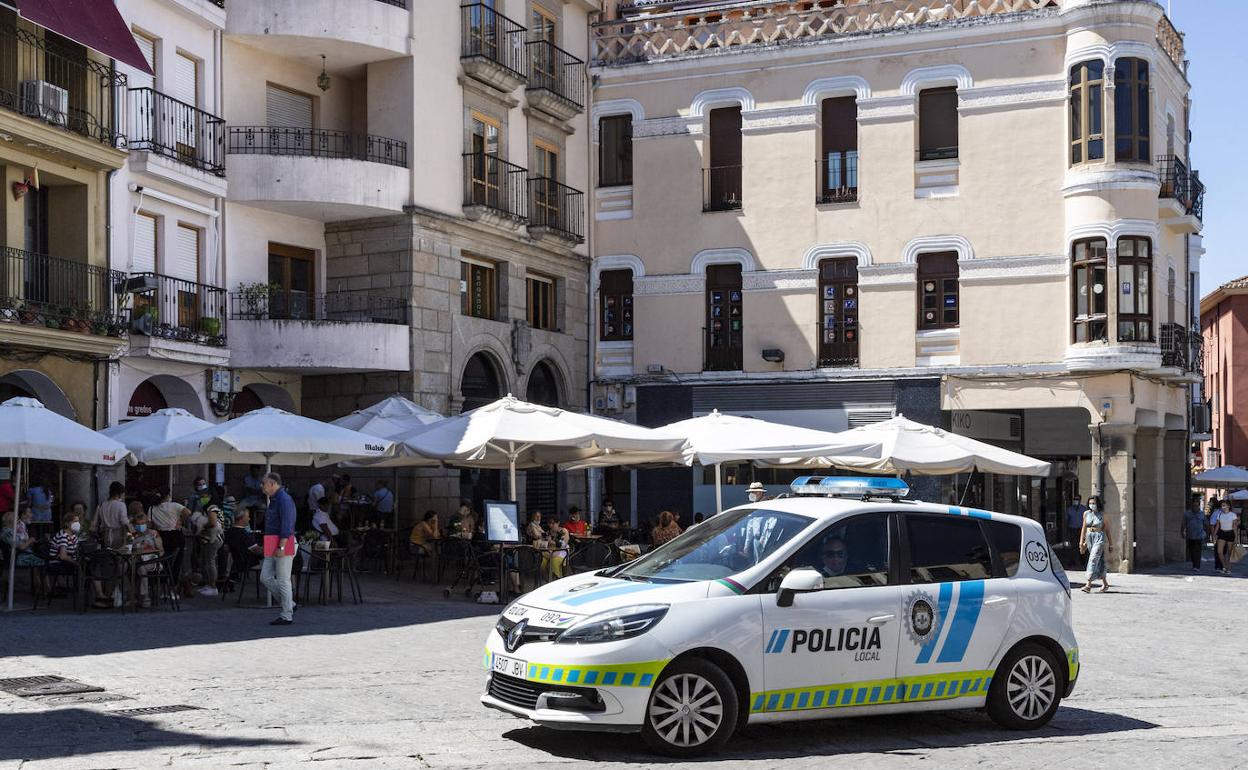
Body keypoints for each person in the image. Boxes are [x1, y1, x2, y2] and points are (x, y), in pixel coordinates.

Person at [260, 472, 297, 626]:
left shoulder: (283, 499)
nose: (262, 486)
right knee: (265, 577)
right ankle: (289, 604)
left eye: (264, 483)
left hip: (282, 542)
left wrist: (281, 546)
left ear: (273, 484)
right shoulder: (276, 499)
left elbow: (287, 525)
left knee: (283, 579)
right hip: (273, 541)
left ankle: (287, 614)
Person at [149, 489, 190, 590]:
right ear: (167, 496)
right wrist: (180, 521)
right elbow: (187, 512)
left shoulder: (151, 508)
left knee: (164, 561)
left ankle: (163, 586)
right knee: (177, 562)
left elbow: (151, 523)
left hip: (162, 536)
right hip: (176, 535)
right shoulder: (174, 505)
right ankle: (172, 586)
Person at [129, 511, 164, 608]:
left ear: (147, 524)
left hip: (153, 561)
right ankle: (130, 596)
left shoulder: (153, 534)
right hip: (138, 560)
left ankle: (145, 596)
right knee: (125, 567)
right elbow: (129, 549)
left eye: (143, 523)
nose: (141, 526)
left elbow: (161, 551)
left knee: (141, 569)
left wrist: (150, 547)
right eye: (138, 524)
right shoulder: (133, 536)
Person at [1078, 494, 1112, 593]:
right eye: (1090, 503)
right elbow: (1084, 528)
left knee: (1093, 558)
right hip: (1089, 537)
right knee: (1099, 560)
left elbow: (1107, 530)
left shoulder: (1103, 515)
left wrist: (1111, 544)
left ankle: (1088, 584)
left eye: (1094, 503)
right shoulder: (1086, 514)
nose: (1092, 505)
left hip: (1099, 537)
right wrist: (1081, 541)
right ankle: (1105, 583)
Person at [224, 507, 263, 592]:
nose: (249, 519)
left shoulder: (229, 532)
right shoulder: (243, 534)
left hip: (236, 562)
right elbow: (258, 551)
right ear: (241, 518)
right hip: (248, 562)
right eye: (247, 516)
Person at [196, 504, 225, 595]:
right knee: (207, 561)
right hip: (216, 538)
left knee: (210, 562)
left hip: (213, 539)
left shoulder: (212, 509)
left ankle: (213, 586)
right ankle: (209, 584)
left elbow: (212, 523)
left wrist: (203, 526)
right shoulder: (218, 510)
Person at [95, 482, 130, 549]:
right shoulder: (121, 505)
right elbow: (124, 522)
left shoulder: (102, 505)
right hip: (118, 535)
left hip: (105, 535)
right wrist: (132, 530)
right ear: (119, 493)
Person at [1212, 499, 1239, 575]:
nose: (1222, 507)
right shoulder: (1220, 514)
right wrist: (1214, 535)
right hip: (1222, 533)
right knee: (1219, 552)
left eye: (1224, 505)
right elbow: (1217, 526)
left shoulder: (1233, 515)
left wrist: (1236, 537)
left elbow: (1235, 527)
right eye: (1221, 506)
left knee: (1230, 553)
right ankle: (1224, 566)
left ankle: (1229, 568)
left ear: (1228, 506)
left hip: (1230, 533)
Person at [1182, 494, 1207, 571]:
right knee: (1191, 550)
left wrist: (1206, 534)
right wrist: (1182, 532)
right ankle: (1194, 563)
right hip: (1190, 535)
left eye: (1197, 506)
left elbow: (1206, 524)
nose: (1195, 507)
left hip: (1199, 535)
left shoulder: (1202, 514)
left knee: (1198, 550)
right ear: (1192, 506)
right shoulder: (1187, 514)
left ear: (1199, 506)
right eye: (1194, 506)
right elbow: (1183, 524)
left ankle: (1197, 566)